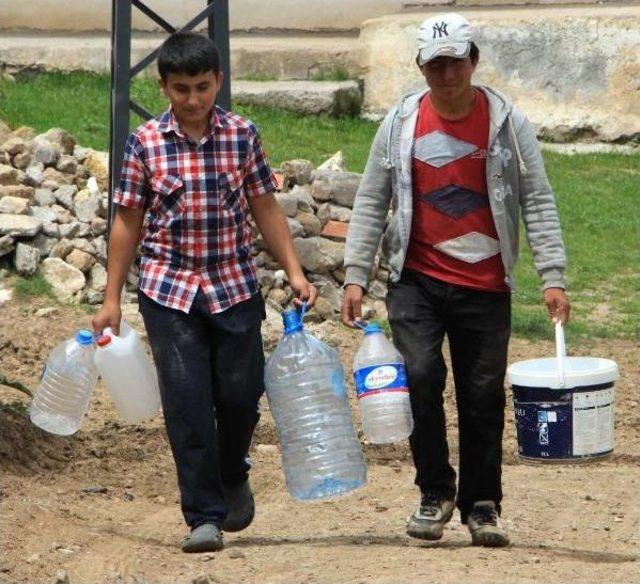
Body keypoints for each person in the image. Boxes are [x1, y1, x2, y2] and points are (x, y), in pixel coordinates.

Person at [341, 13, 569, 547]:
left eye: (456, 62)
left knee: (484, 392)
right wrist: (356, 274)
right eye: (436, 64)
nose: (447, 74)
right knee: (420, 374)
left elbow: (537, 197)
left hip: (487, 284)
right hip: (416, 280)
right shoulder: (399, 125)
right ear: (421, 67)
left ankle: (482, 502)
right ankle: (434, 491)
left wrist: (552, 275)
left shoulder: (508, 126)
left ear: (475, 62)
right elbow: (373, 199)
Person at [93, 31, 317, 553]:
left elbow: (264, 206)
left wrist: (295, 270)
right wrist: (110, 298)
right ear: (164, 87)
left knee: (241, 394)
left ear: (218, 80)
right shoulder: (145, 143)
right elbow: (128, 220)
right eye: (180, 89)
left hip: (234, 286)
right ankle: (203, 515)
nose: (192, 100)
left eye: (201, 87)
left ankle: (232, 464)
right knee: (187, 402)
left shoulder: (242, 135)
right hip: (168, 292)